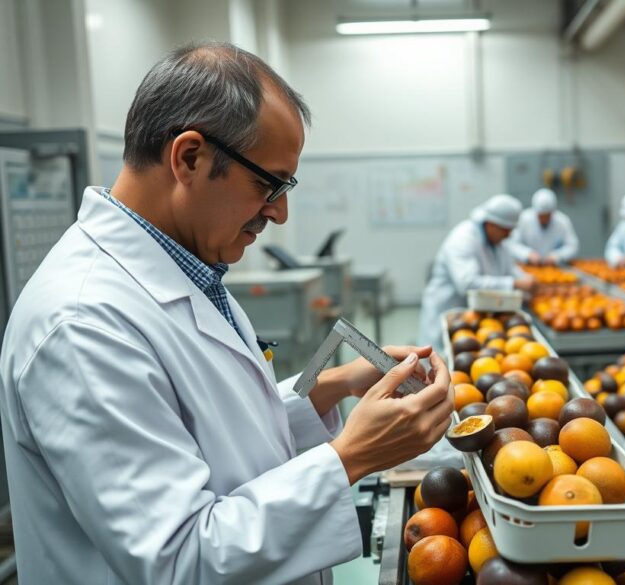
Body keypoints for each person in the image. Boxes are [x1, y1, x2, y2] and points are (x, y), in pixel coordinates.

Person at [0, 42, 454, 584]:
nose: (279, 212)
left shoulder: (188, 266)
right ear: (189, 157)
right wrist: (350, 457)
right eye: (269, 184)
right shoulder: (83, 325)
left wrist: (333, 384)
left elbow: (217, 437)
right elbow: (179, 561)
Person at [418, 194, 535, 351]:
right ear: (491, 224)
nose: (509, 235)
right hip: (449, 310)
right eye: (506, 230)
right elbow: (467, 283)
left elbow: (509, 268)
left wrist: (526, 280)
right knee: (440, 363)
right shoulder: (463, 238)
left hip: (476, 319)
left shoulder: (497, 241)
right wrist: (514, 283)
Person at [507, 188, 579, 265]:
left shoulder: (562, 221)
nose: (544, 219)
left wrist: (557, 256)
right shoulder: (523, 219)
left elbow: (572, 246)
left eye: (547, 216)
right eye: (541, 216)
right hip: (528, 266)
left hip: (554, 267)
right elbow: (512, 244)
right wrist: (527, 254)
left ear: (553, 212)